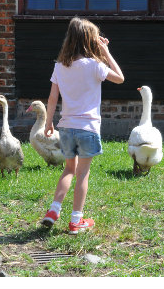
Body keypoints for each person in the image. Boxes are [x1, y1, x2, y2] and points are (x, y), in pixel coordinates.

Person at [39, 17, 125, 235]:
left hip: (66, 127)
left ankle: (53, 210)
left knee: (69, 169)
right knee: (83, 174)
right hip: (87, 128)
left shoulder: (60, 66)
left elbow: (51, 98)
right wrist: (105, 52)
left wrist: (49, 123)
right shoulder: (95, 66)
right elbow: (120, 78)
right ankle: (76, 220)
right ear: (91, 41)